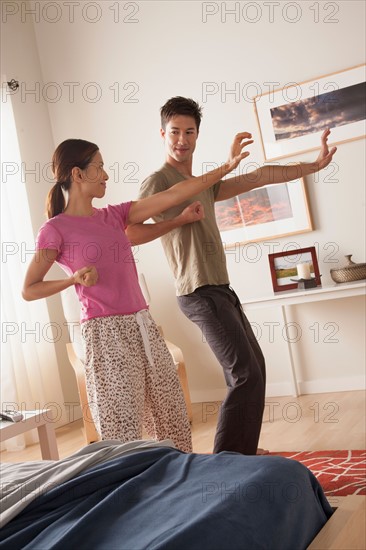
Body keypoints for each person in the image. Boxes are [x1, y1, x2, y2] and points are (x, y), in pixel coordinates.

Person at [126, 96, 337, 456]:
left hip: (220, 288)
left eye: (189, 132)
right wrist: (178, 220)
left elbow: (258, 177)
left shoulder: (202, 182)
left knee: (255, 369)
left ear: (197, 135)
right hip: (197, 291)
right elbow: (130, 230)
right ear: (162, 134)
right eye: (174, 131)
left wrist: (313, 166)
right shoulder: (156, 181)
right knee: (245, 374)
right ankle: (226, 461)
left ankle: (242, 454)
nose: (182, 139)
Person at [22, 138, 249, 453]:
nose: (106, 175)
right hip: (105, 334)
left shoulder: (113, 216)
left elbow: (173, 194)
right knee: (121, 430)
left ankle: (178, 483)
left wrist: (223, 170)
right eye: (99, 167)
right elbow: (29, 289)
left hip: (143, 325)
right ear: (77, 174)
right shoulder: (55, 229)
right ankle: (127, 491)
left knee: (172, 417)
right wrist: (73, 279)